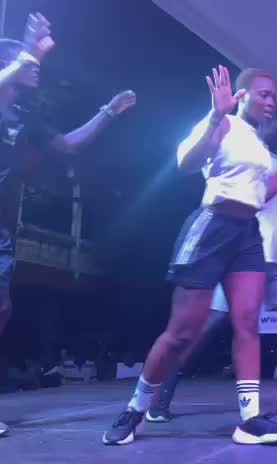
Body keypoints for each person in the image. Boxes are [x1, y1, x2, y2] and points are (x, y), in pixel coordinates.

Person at [102, 66, 277, 445]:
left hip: (247, 235)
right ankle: (135, 409)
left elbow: (260, 194)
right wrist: (216, 116)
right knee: (182, 333)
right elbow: (186, 163)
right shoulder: (223, 124)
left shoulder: (258, 142)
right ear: (241, 96)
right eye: (264, 94)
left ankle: (250, 420)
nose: (272, 101)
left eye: (274, 95)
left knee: (247, 323)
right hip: (212, 229)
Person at [144, 101, 277, 422]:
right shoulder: (245, 153)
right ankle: (161, 395)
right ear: (268, 123)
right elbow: (261, 197)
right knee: (205, 325)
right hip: (239, 252)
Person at [0, 13, 137, 438]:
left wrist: (109, 112)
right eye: (24, 62)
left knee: (2, 308)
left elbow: (67, 145)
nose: (35, 68)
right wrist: (28, 50)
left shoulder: (24, 118)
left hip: (1, 230)